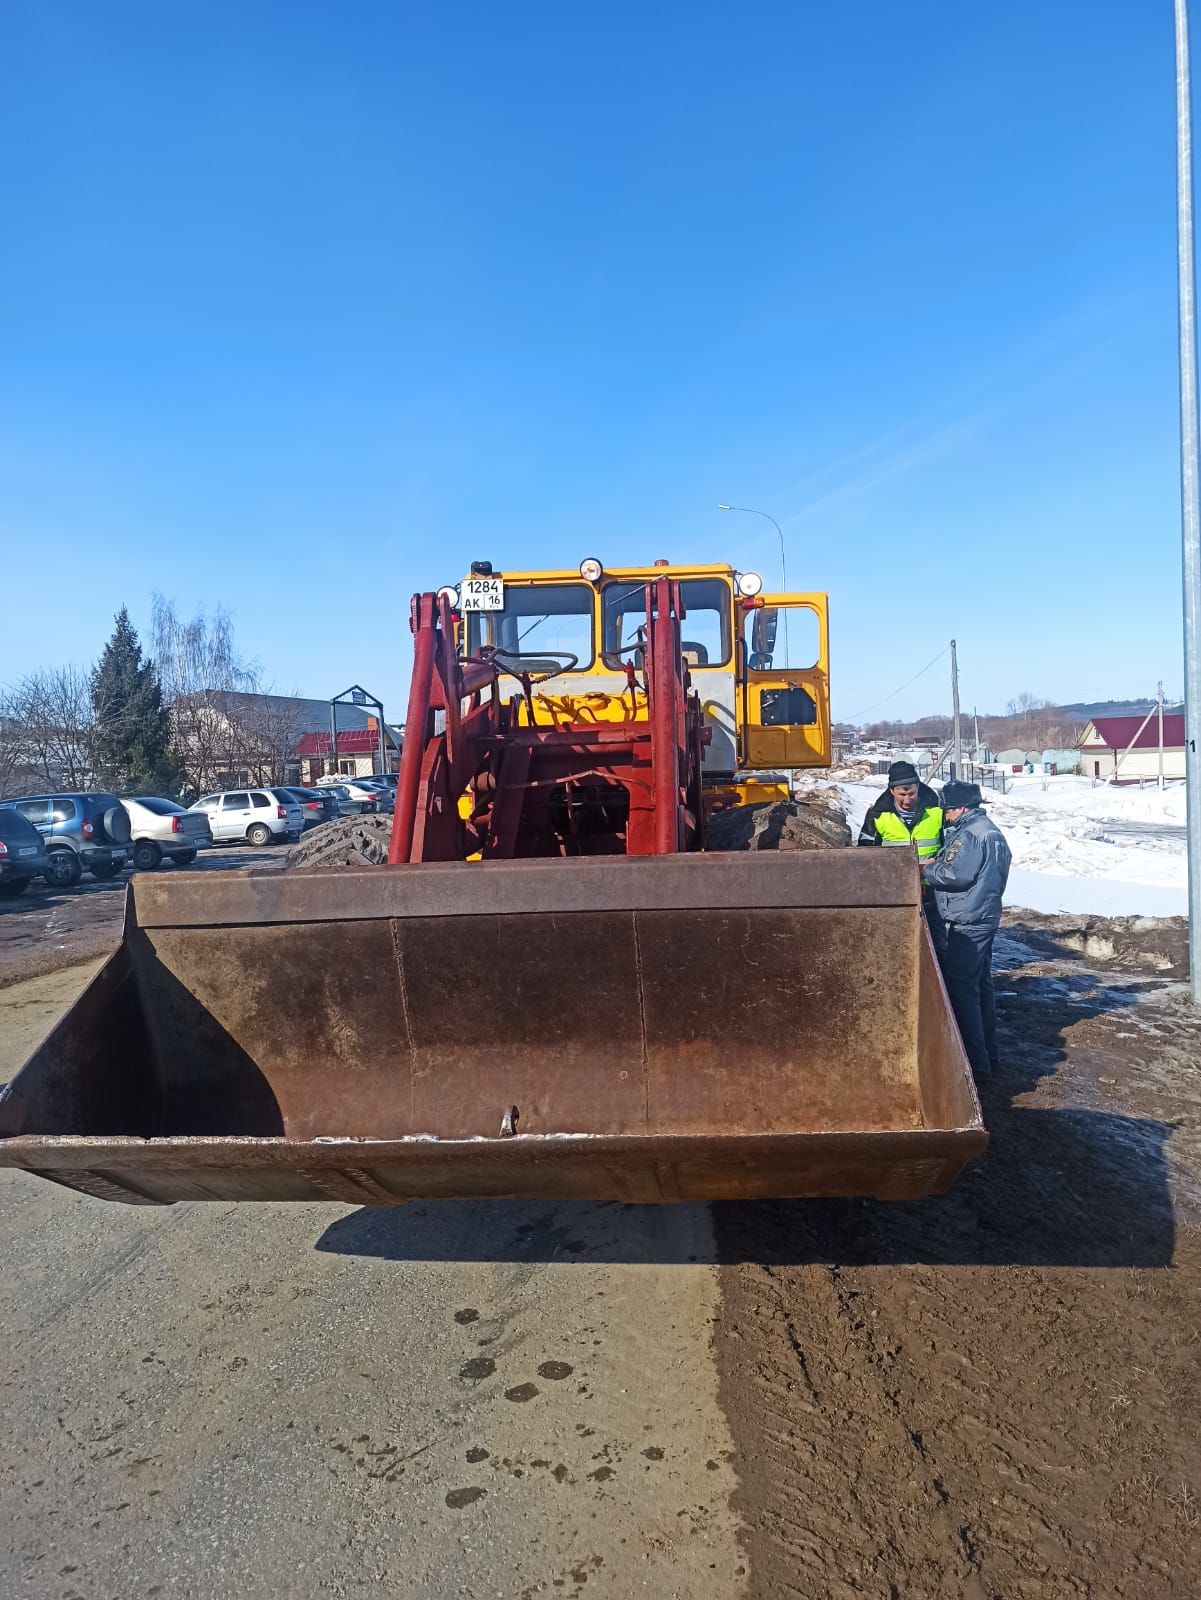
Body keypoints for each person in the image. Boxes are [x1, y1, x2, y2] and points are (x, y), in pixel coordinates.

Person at [921, 780, 1012, 1077]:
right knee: (981, 986)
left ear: (960, 808)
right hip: (985, 913)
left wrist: (926, 868)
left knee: (962, 989)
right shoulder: (990, 831)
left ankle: (974, 1065)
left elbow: (955, 875)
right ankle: (990, 1055)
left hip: (969, 919)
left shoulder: (969, 835)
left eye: (948, 810)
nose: (945, 816)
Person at [856, 760, 943, 860]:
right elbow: (865, 853)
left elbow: (951, 848)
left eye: (911, 794)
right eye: (902, 795)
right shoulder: (877, 815)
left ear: (918, 787)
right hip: (892, 874)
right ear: (892, 791)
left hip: (929, 874)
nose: (907, 800)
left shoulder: (938, 810)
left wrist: (934, 862)